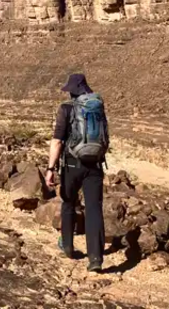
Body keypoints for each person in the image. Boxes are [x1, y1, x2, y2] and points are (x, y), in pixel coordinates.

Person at [45, 73, 109, 273]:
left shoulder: (66, 108)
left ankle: (68, 246)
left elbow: (57, 141)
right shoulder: (98, 107)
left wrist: (50, 169)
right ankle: (95, 258)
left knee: (68, 202)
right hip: (95, 164)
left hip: (72, 164)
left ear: (74, 90)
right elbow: (105, 136)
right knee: (94, 209)